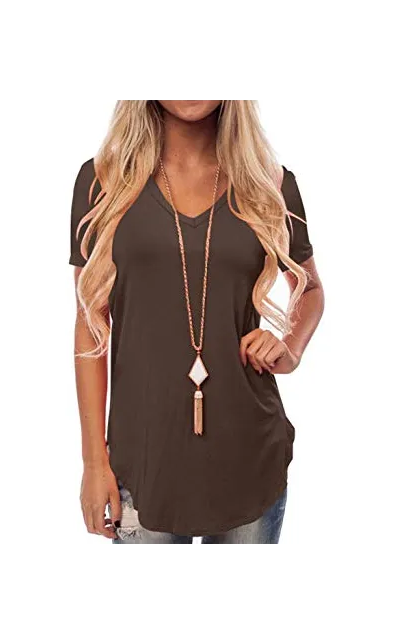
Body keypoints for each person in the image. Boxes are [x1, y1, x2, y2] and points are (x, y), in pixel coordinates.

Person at [69, 98, 324, 544]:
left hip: (248, 454)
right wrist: (94, 462)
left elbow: (310, 289)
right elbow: (90, 322)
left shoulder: (269, 183)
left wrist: (290, 347)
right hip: (143, 460)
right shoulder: (103, 181)